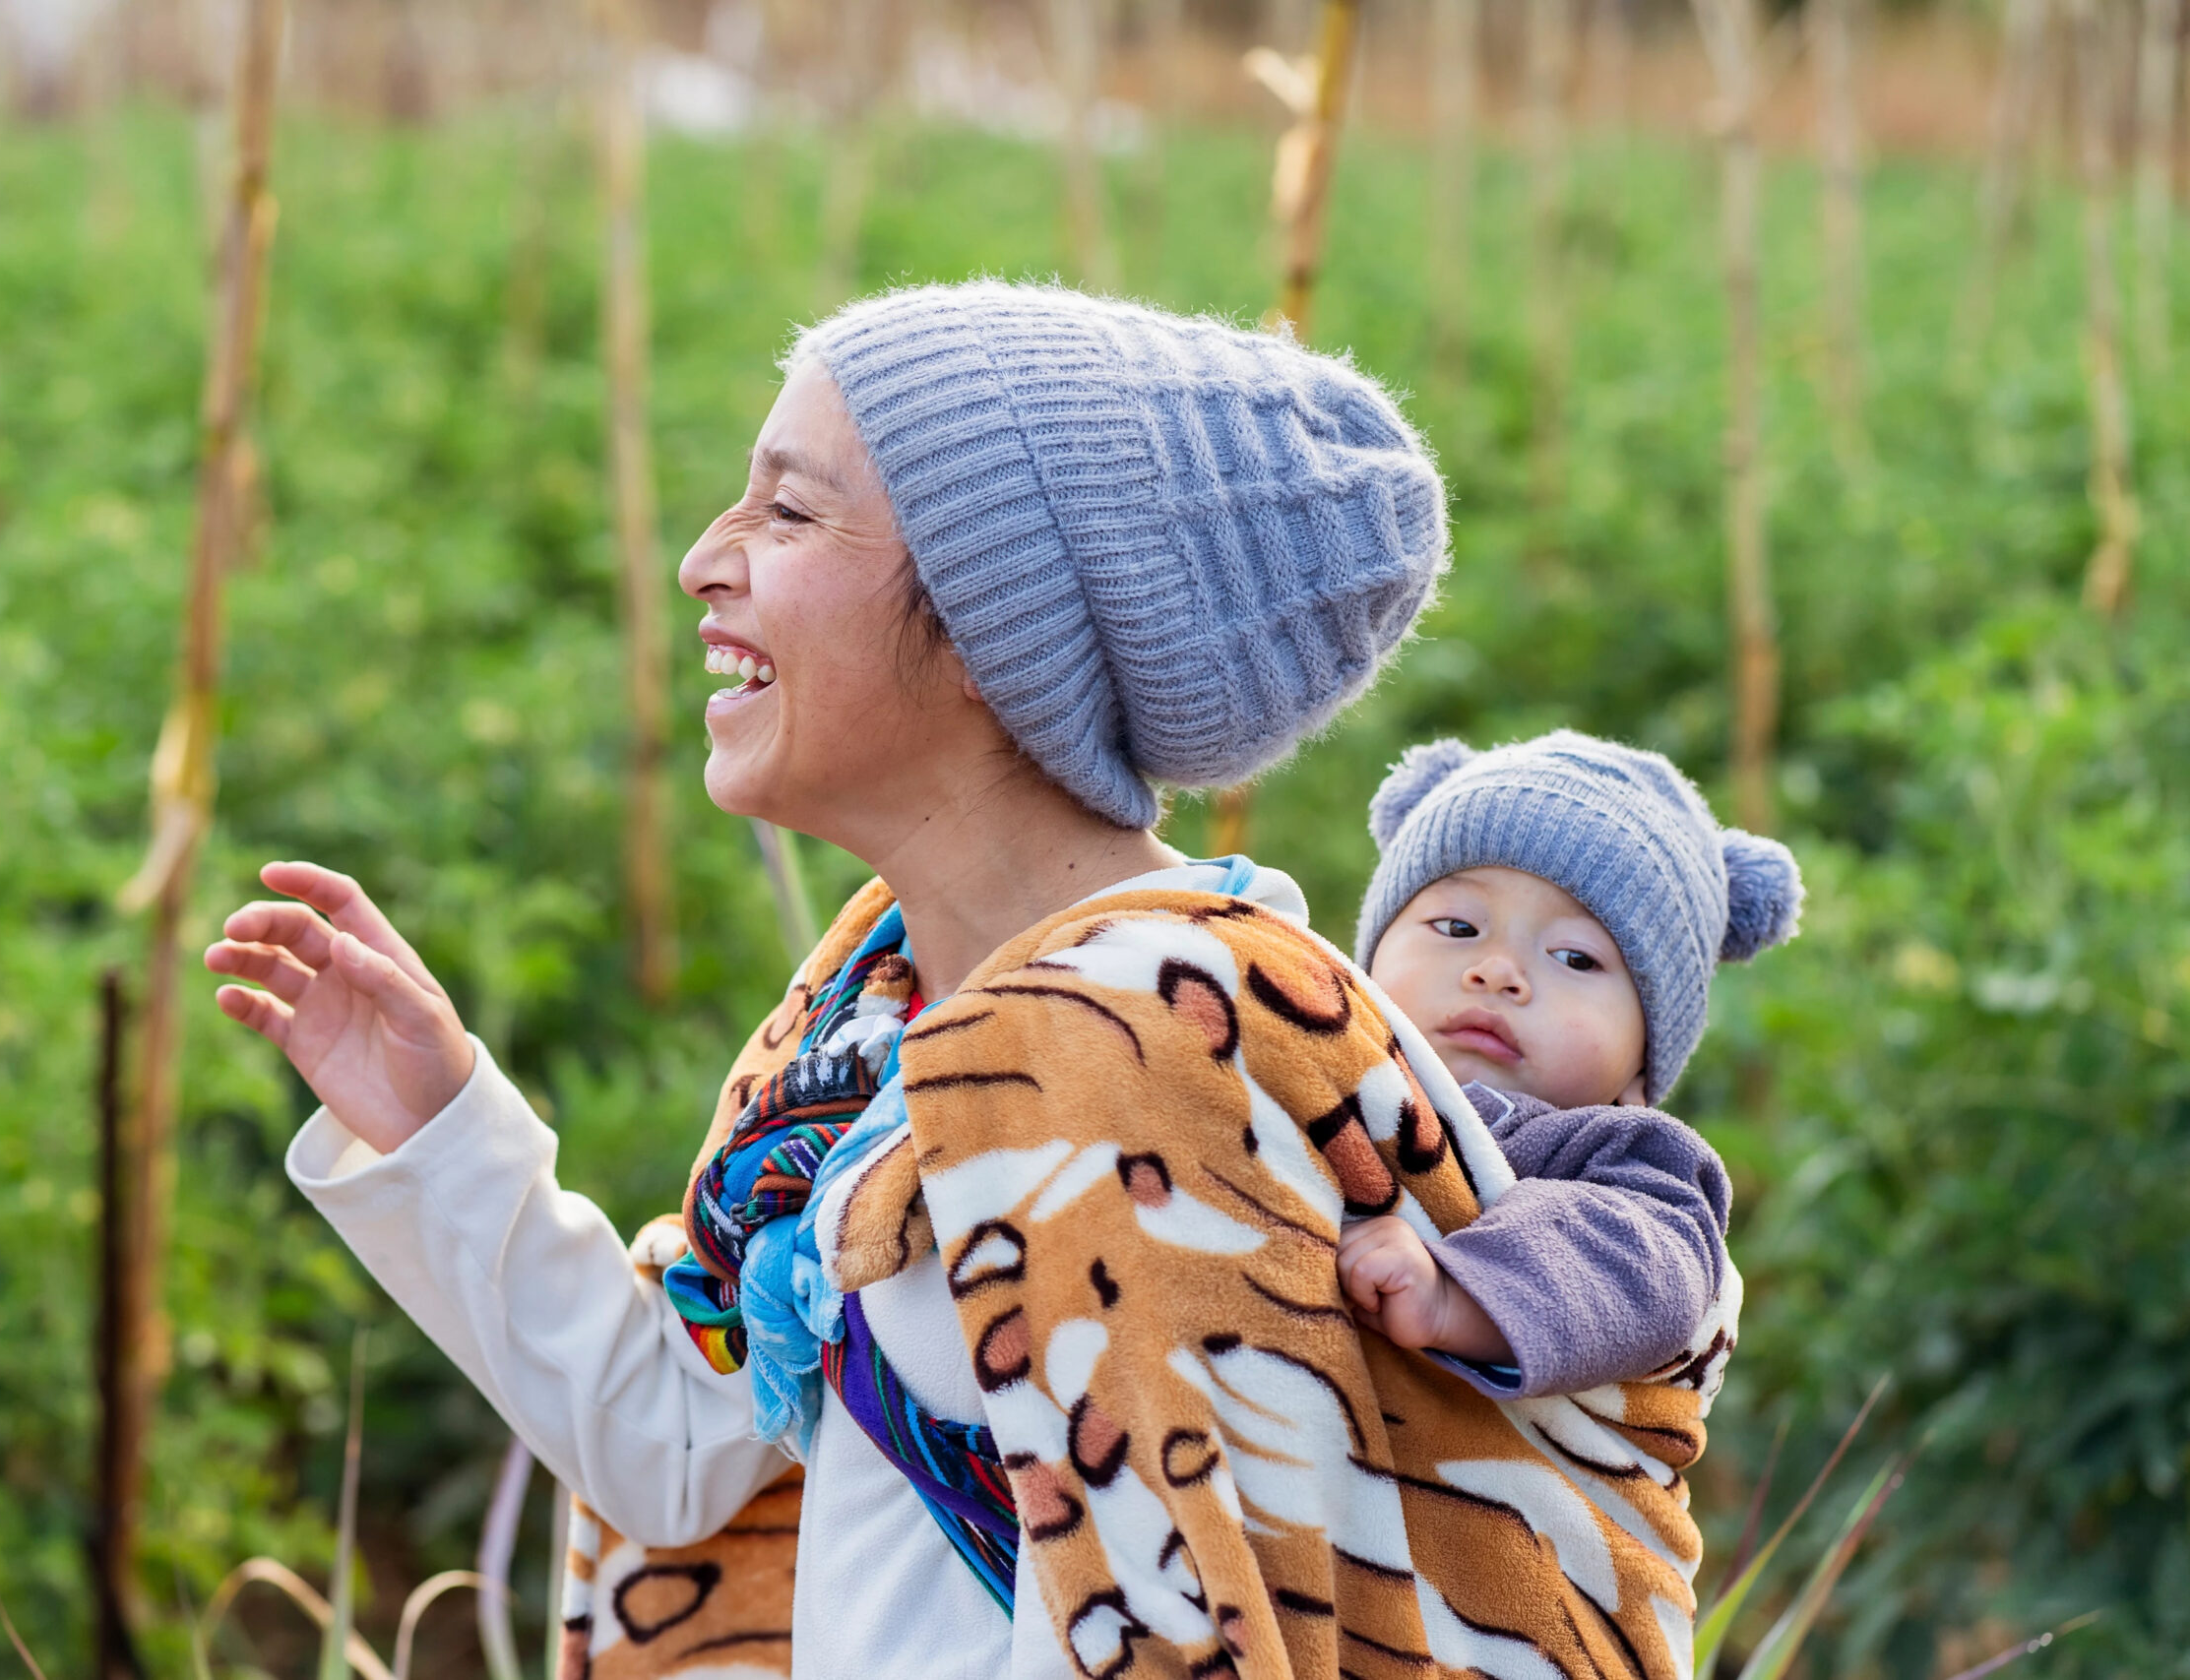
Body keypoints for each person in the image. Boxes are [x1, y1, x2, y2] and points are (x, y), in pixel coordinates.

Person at [206, 282, 1721, 1680]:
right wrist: (435, 1125)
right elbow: (680, 1452)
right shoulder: (878, 1009)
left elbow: (1170, 1629)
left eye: (790, 513)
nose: (705, 558)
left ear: (999, 628)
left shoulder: (1142, 1038)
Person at [1330, 731, 1803, 1403]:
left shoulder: (1622, 1156)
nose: (1498, 971)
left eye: (1575, 957)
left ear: (1641, 1063)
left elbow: (1649, 1265)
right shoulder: (1311, 1061)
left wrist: (1455, 1296)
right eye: (1459, 927)